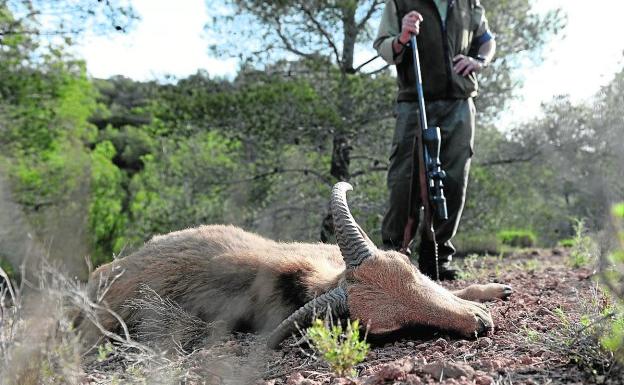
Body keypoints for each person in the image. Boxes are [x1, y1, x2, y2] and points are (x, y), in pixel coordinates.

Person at [374, 0, 496, 280]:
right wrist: (402, 38)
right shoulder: (400, 3)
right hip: (414, 102)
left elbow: (487, 40)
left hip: (459, 103)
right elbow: (383, 46)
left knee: (453, 181)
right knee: (404, 181)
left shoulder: (468, 3)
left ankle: (437, 257)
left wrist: (479, 61)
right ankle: (394, 257)